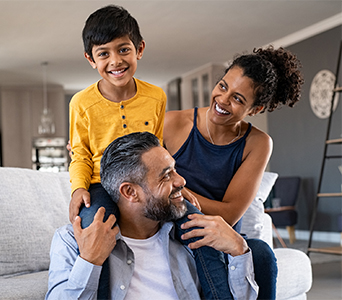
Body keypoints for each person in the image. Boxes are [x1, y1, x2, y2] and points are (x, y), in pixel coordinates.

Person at [46, 132, 259, 300]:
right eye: (166, 176)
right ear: (130, 192)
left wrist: (239, 250)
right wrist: (89, 261)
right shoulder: (71, 241)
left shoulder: (193, 236)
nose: (181, 181)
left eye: (175, 170)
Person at [164, 46, 304, 299]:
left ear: (256, 109)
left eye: (238, 99)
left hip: (224, 234)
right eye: (222, 86)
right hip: (174, 226)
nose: (222, 100)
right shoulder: (171, 123)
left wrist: (179, 190)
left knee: (261, 253)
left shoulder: (258, 143)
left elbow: (229, 213)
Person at [68, 5, 166, 298]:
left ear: (139, 49)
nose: (115, 61)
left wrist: (168, 182)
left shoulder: (156, 96)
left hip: (145, 183)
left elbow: (157, 148)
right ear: (90, 59)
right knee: (94, 228)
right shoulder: (81, 104)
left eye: (124, 50)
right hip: (101, 184)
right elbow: (81, 155)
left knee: (189, 220)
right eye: (104, 54)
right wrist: (78, 189)